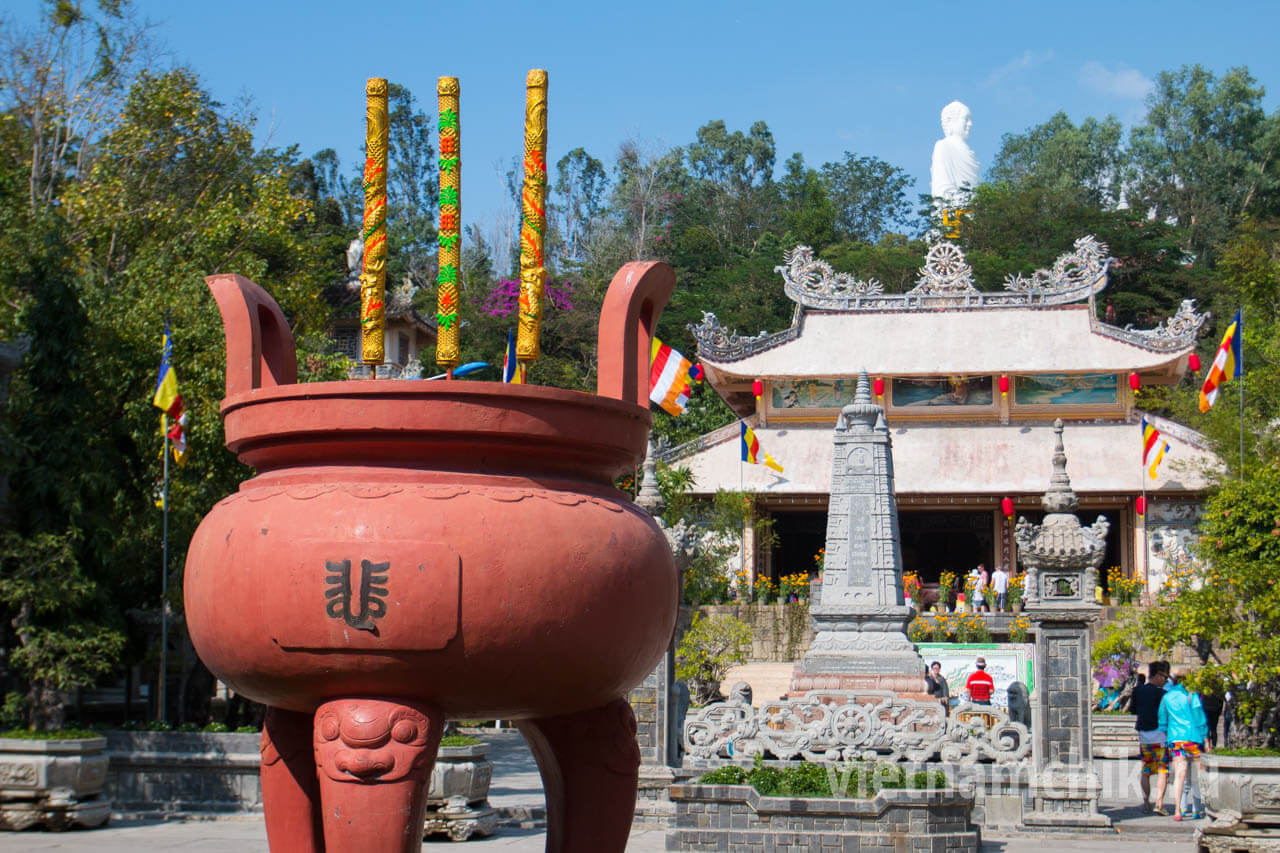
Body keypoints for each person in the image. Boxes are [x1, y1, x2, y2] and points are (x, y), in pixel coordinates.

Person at [1160, 673, 1209, 821]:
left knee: (1179, 775)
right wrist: (1206, 738)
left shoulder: (1166, 697)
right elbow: (1199, 717)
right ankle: (1196, 808)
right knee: (1197, 775)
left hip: (1175, 738)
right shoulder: (1191, 696)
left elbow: (1162, 718)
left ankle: (1178, 809)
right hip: (1192, 737)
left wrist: (1167, 732)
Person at [1134, 661, 1171, 814]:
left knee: (1146, 770)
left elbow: (1133, 710)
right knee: (1162, 770)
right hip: (1160, 736)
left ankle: (1146, 802)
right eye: (1164, 677)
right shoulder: (1162, 694)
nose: (1165, 680)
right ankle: (1159, 803)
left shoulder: (1138, 691)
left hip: (1144, 735)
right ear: (1157, 675)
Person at [930, 101, 980, 208]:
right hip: (955, 210)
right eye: (965, 119)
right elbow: (941, 187)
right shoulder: (943, 146)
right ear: (950, 121)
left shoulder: (971, 154)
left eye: (970, 120)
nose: (970, 124)